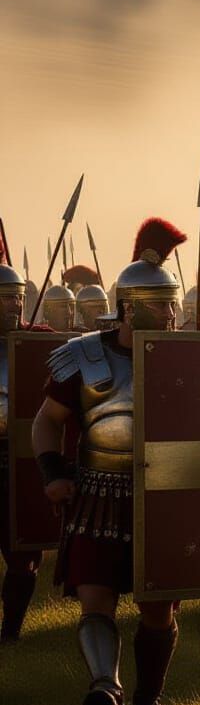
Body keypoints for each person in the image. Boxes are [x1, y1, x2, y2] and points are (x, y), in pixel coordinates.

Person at [32, 218, 187, 705]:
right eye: (161, 305)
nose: (171, 314)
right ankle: (105, 689)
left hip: (162, 496)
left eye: (172, 304)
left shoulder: (187, 357)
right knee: (96, 599)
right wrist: (53, 472)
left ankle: (148, 701)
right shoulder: (84, 356)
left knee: (157, 610)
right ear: (130, 306)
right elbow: (46, 422)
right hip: (98, 494)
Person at [0, 263, 52, 644]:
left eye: (18, 298)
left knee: (24, 553)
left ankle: (10, 631)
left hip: (21, 461)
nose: (15, 305)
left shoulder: (39, 343)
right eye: (6, 298)